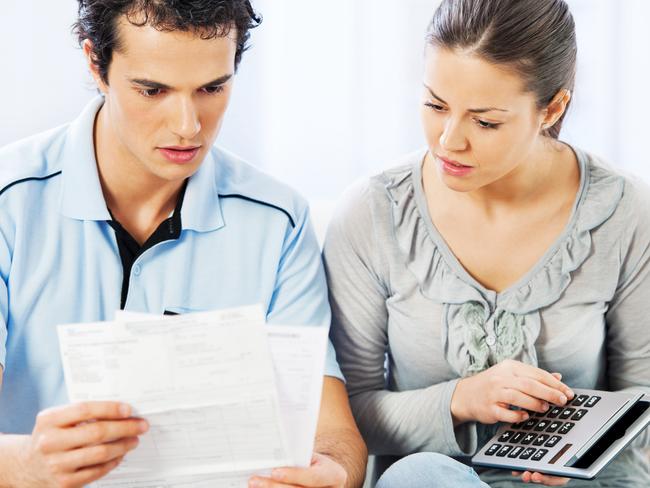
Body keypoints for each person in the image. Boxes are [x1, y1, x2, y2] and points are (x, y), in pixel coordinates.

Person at [0, 1, 367, 487]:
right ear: (96, 63)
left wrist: (334, 473)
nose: (188, 125)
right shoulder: (9, 201)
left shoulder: (279, 221)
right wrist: (25, 466)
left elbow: (333, 432)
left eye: (212, 88)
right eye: (152, 90)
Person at [323, 0, 650, 486]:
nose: (448, 141)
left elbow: (641, 395)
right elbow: (346, 419)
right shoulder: (371, 215)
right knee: (419, 476)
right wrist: (459, 401)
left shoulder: (625, 211)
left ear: (553, 108)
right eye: (435, 105)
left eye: (485, 121)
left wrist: (581, 455)